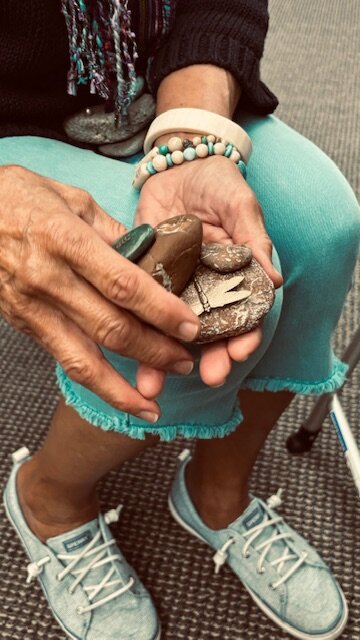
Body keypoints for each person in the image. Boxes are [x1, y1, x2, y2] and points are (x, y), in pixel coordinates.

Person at [1, 1, 359, 639]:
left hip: (158, 83)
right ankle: (47, 500)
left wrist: (190, 134)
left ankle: (214, 494)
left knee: (325, 226)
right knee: (170, 324)